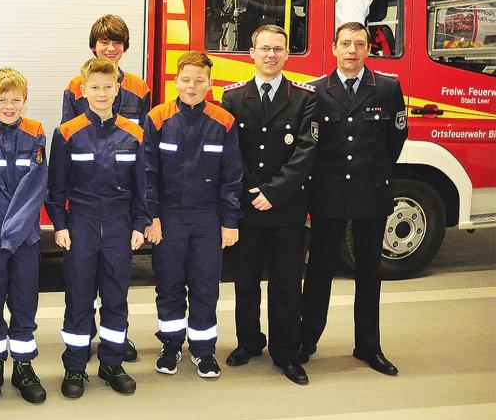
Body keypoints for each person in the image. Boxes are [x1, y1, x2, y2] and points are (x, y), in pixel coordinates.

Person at [299, 22, 407, 376]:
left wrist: (375, 173)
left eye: (359, 44)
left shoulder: (388, 89)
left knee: (368, 273)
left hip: (370, 194)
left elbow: (395, 140)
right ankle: (306, 340)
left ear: (367, 50)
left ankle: (368, 346)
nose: (352, 50)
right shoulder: (315, 91)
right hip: (328, 193)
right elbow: (311, 145)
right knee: (319, 270)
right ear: (332, 48)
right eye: (345, 43)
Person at [219, 25, 317, 385]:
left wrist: (273, 192)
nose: (271, 54)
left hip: (286, 207)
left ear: (287, 55)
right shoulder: (232, 98)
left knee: (287, 283)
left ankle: (286, 353)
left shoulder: (305, 98)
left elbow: (306, 153)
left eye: (278, 49)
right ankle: (248, 342)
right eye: (264, 48)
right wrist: (252, 190)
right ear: (251, 53)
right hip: (246, 207)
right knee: (245, 281)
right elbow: (231, 154)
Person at [46, 57, 148, 399]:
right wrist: (59, 225)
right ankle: (74, 365)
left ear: (118, 89)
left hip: (120, 225)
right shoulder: (66, 133)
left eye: (108, 87)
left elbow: (142, 185)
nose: (101, 93)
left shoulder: (134, 133)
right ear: (83, 90)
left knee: (116, 298)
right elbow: (56, 187)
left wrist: (139, 224)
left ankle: (111, 364)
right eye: (94, 87)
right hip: (82, 224)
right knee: (79, 299)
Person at [143, 51, 242, 380]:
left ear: (210, 83)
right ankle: (170, 345)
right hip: (168, 219)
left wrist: (229, 221)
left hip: (207, 219)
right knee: (169, 285)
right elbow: (147, 173)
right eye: (186, 80)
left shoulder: (224, 120)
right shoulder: (157, 118)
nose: (192, 86)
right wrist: (151, 217)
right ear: (175, 81)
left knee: (205, 287)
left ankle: (203, 350)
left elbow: (232, 176)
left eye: (199, 81)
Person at [60, 15, 150, 361]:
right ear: (93, 45)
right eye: (103, 41)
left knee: (116, 288)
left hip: (119, 202)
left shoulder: (139, 87)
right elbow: (70, 131)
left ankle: (115, 344)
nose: (109, 48)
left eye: (116, 42)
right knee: (81, 287)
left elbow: (142, 143)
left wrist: (142, 216)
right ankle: (78, 353)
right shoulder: (74, 84)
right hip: (85, 203)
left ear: (124, 47)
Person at [0, 68, 48, 404]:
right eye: (2, 99)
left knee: (24, 300)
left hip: (26, 238)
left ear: (25, 102)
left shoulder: (37, 131)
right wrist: (9, 229)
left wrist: (15, 231)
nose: (9, 105)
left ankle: (24, 366)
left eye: (16, 100)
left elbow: (36, 185)